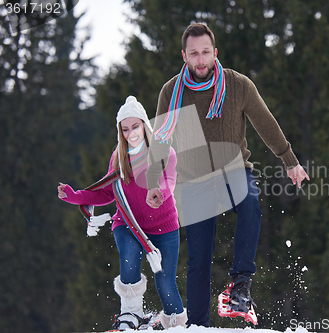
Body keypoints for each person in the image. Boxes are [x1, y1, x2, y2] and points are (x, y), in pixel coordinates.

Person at [145, 23, 309, 327]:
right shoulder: (171, 92)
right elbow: (160, 139)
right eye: (194, 53)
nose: (201, 59)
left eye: (206, 52)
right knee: (198, 260)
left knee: (250, 204)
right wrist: (154, 182)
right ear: (184, 56)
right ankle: (197, 325)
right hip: (193, 181)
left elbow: (265, 123)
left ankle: (240, 285)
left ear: (215, 52)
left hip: (234, 170)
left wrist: (290, 160)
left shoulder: (238, 86)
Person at [57, 96, 187, 330]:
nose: (131, 133)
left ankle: (176, 325)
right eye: (125, 129)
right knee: (129, 259)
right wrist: (76, 196)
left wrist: (160, 193)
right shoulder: (119, 158)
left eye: (135, 126)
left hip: (164, 225)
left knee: (165, 283)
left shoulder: (164, 150)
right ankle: (131, 315)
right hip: (127, 222)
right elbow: (108, 193)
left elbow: (169, 180)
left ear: (144, 125)